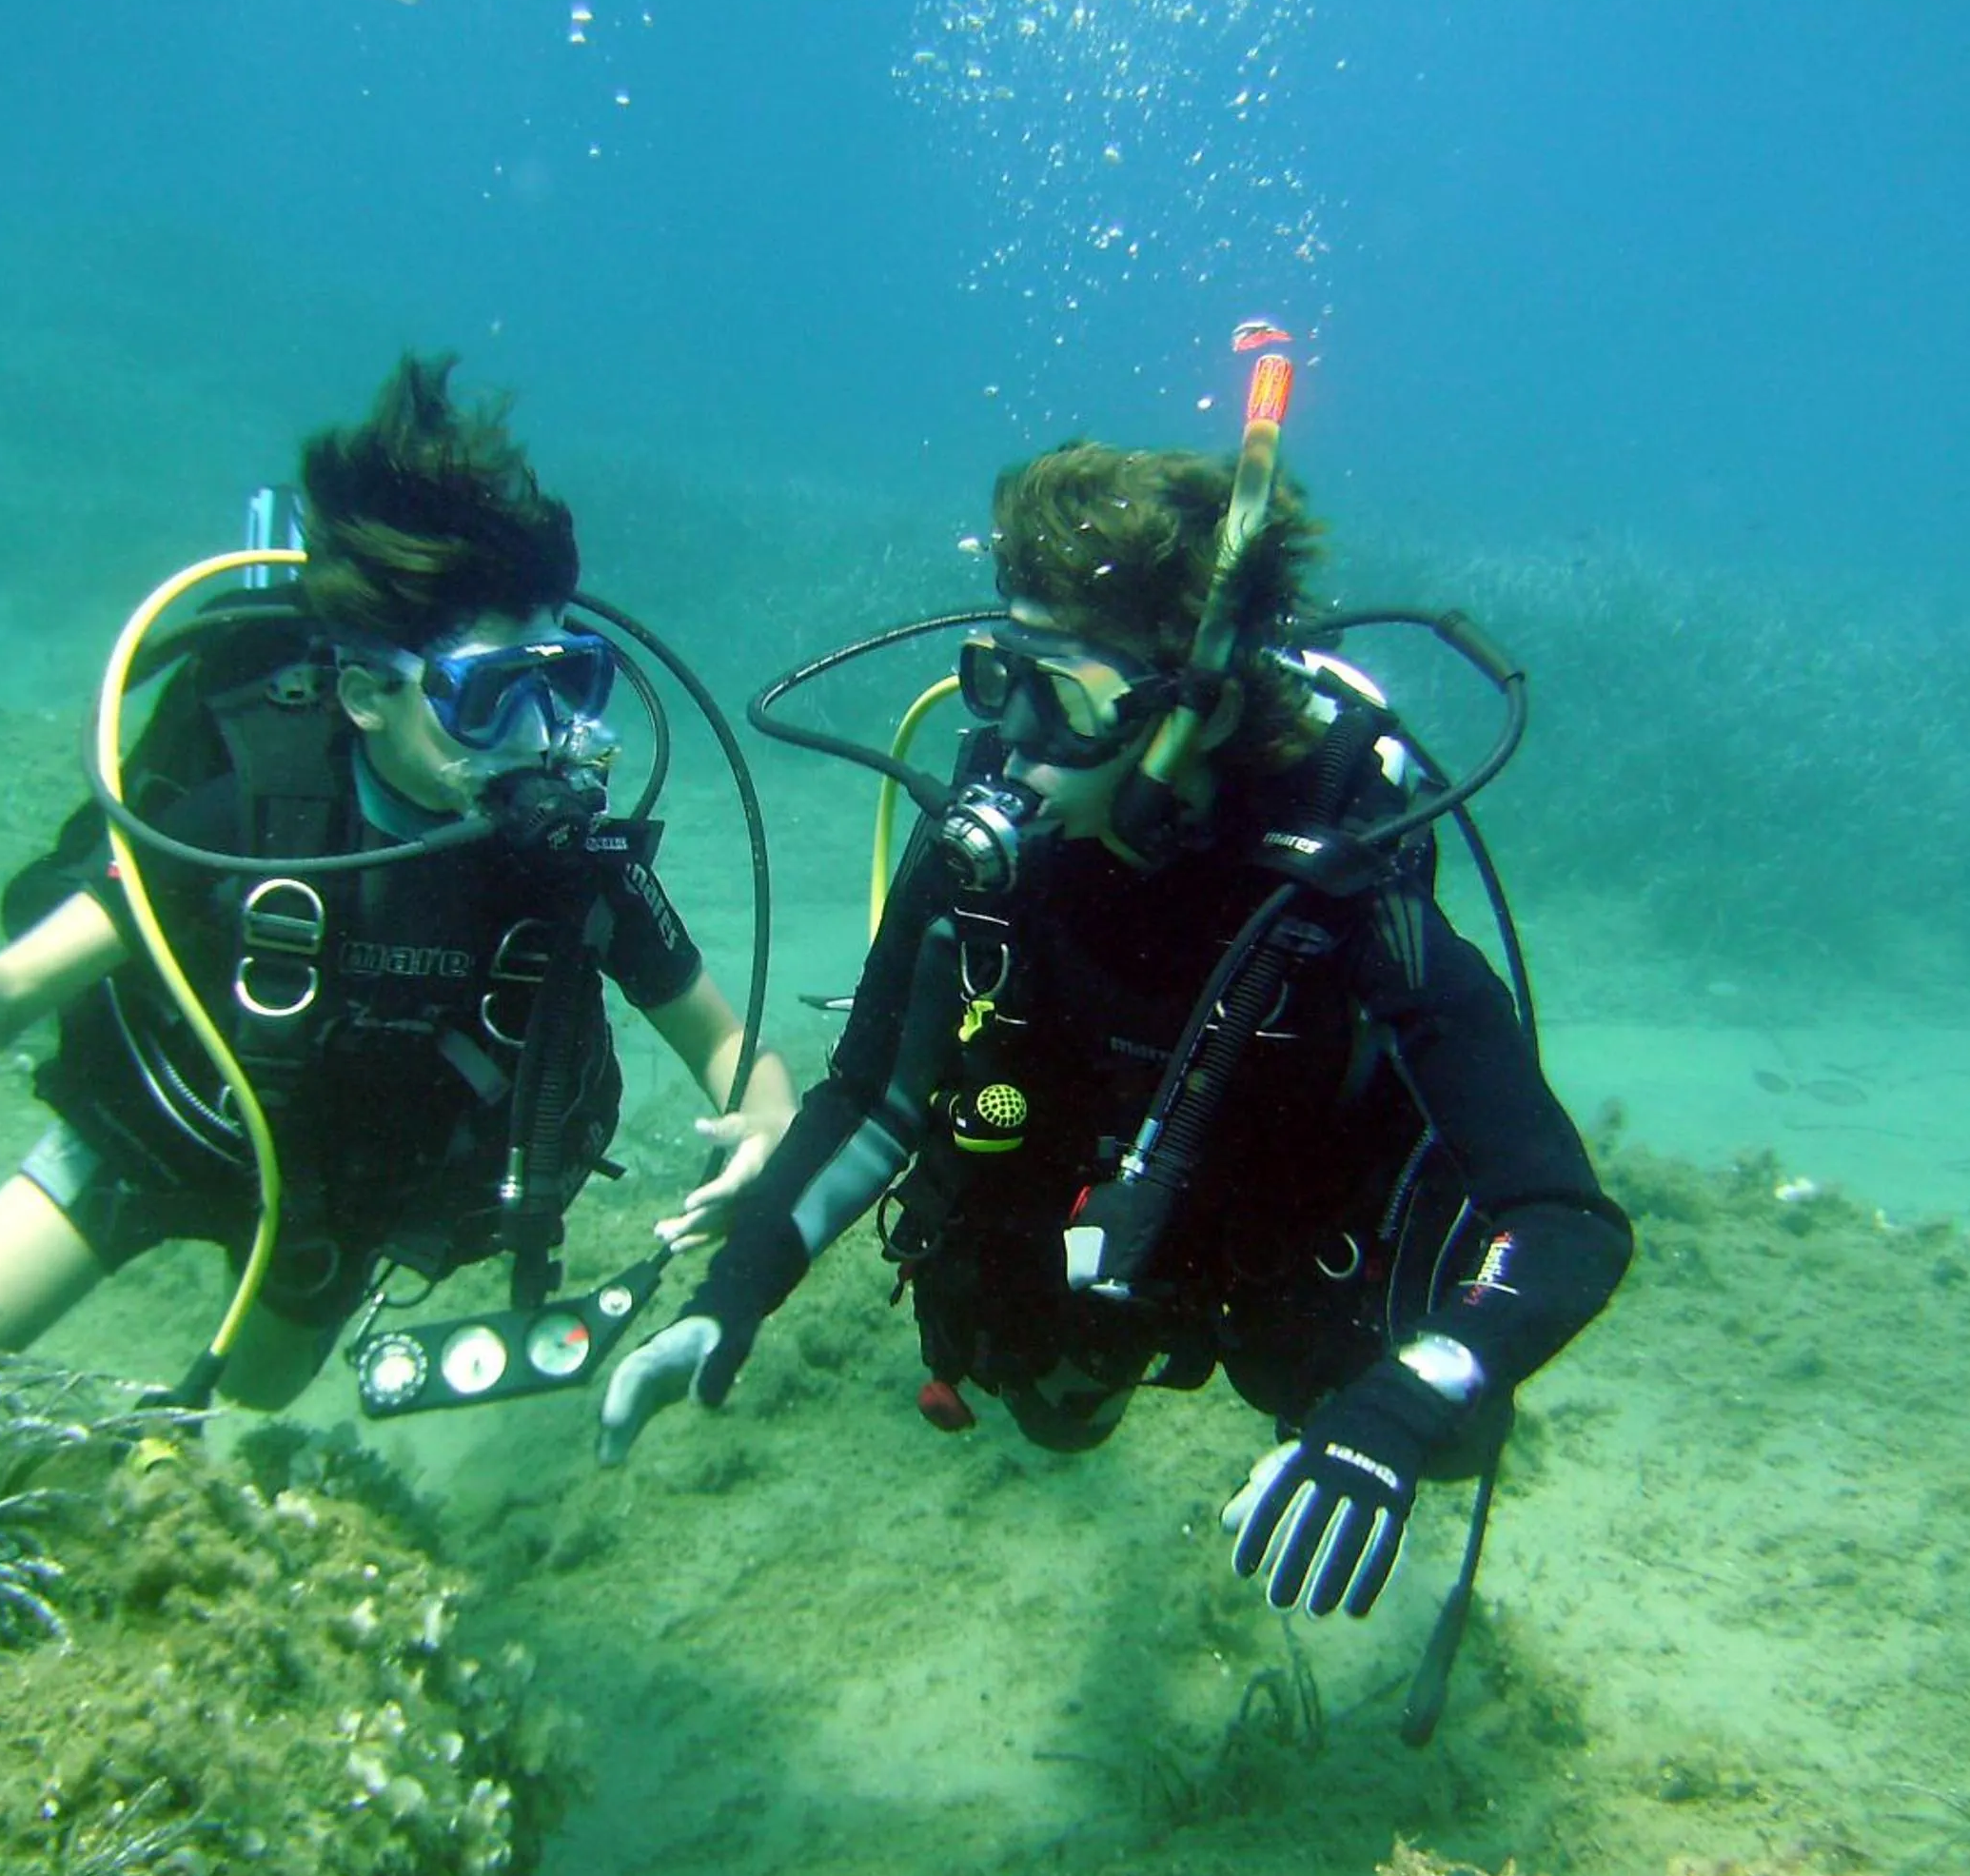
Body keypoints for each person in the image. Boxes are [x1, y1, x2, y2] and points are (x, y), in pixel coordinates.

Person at [597, 437, 1631, 1621]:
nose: (1010, 738)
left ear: (1198, 711)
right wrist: (731, 1293)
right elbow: (872, 1102)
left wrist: (1402, 1405)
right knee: (1040, 1403)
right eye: (997, 676)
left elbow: (1566, 1224)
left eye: (1063, 696)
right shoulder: (988, 860)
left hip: (1280, 1226)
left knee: (1445, 1431)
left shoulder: (1336, 887)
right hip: (1088, 1193)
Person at [0, 353, 794, 1409]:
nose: (540, 735)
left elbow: (721, 1043)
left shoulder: (567, 864)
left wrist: (767, 1127)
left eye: (566, 683)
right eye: (487, 699)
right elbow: (10, 990)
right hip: (162, 1130)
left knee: (260, 1393)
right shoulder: (251, 822)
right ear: (363, 696)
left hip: (333, 1194)